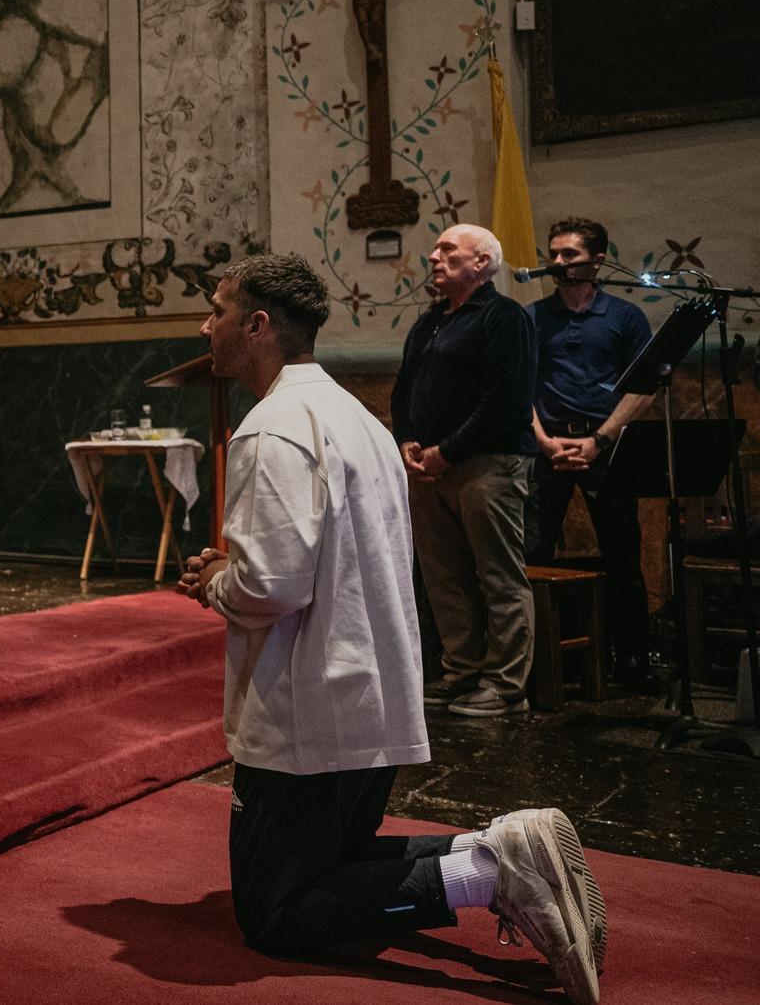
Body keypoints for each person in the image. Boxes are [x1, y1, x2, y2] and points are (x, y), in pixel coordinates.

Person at [179, 253, 604, 1005]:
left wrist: (217, 580)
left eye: (216, 310)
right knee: (334, 869)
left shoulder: (271, 428)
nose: (203, 326)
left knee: (275, 912)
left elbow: (271, 585)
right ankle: (498, 855)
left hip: (306, 708)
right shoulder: (356, 418)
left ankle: (489, 869)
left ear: (258, 325)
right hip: (367, 694)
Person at [392, 223, 538, 718]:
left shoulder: (504, 317)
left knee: (497, 575)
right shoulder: (430, 322)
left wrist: (447, 451)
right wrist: (408, 442)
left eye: (447, 249)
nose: (433, 255)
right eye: (435, 248)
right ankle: (461, 670)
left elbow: (507, 399)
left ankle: (506, 685)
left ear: (482, 263)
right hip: (429, 467)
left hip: (487, 464)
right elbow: (403, 391)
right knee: (444, 576)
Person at [528, 217, 655, 682]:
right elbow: (519, 387)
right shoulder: (533, 317)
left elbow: (645, 389)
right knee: (533, 552)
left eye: (569, 255)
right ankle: (536, 663)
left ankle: (634, 658)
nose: (558, 263)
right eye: (553, 254)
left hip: (606, 447)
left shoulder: (624, 317)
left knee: (623, 553)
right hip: (548, 447)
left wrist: (600, 440)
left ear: (598, 260)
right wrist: (543, 441)